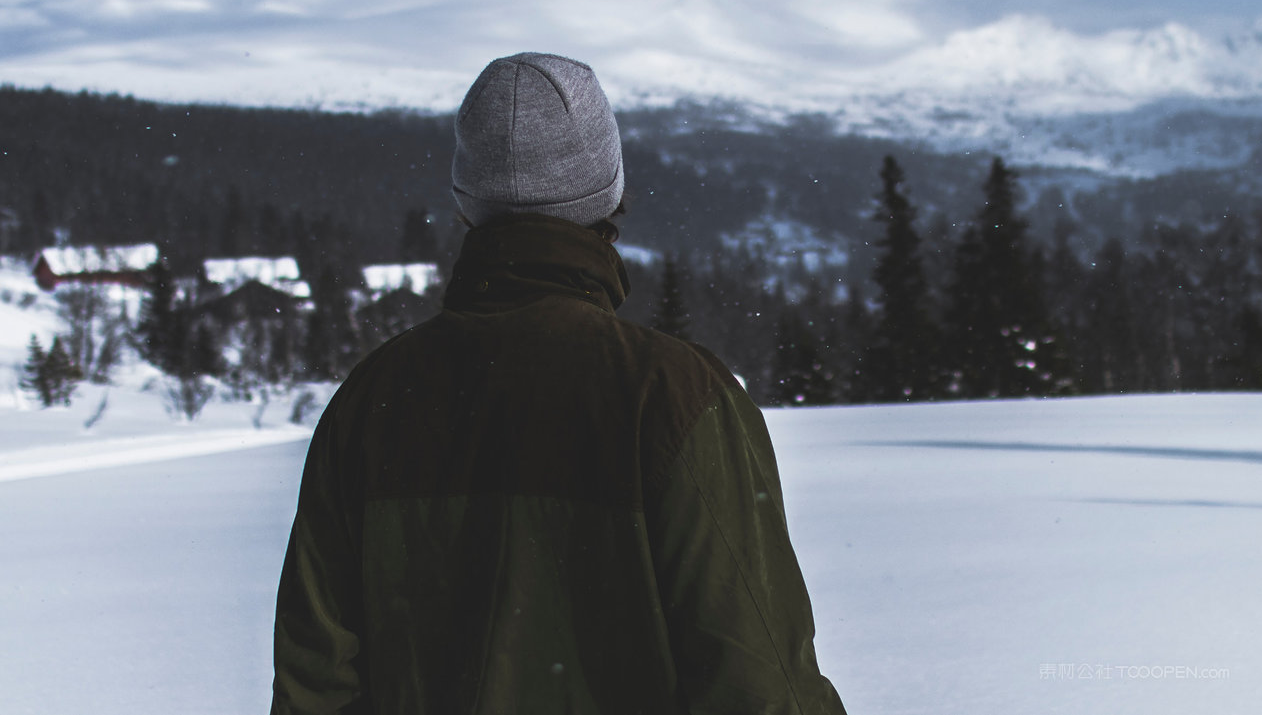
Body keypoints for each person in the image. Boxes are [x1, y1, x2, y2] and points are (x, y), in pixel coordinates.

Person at [271, 53, 847, 714]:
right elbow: (760, 681)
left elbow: (313, 687)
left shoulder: (370, 403)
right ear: (609, 193)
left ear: (466, 204)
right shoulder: (673, 397)